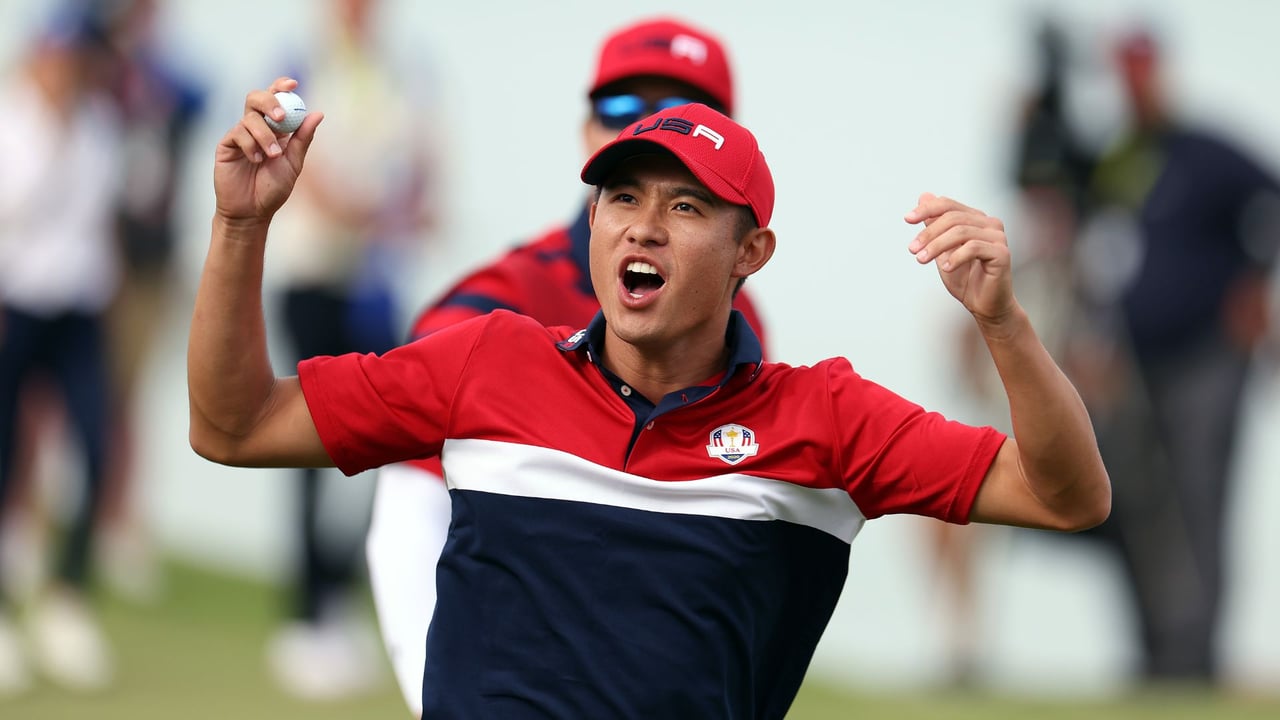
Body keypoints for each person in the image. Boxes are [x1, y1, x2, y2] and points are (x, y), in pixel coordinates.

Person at [190, 75, 1110, 717]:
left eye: (686, 207)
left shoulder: (823, 417)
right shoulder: (488, 361)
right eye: (622, 198)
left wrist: (1003, 324)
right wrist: (240, 224)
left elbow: (1066, 494)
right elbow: (233, 426)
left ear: (752, 255)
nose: (644, 226)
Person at [362, 17, 771, 715]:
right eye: (621, 110)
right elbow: (409, 507)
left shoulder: (741, 322)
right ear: (588, 133)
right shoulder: (497, 303)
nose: (649, 128)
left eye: (679, 112)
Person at [1076, 26, 1280, 684]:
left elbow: (1270, 199)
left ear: (1158, 72)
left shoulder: (1209, 150)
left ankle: (1197, 661)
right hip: (1137, 365)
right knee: (1135, 503)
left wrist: (1253, 289)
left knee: (1201, 501)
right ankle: (1158, 654)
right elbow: (1095, 251)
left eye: (1140, 69)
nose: (1132, 83)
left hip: (1208, 358)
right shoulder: (1123, 160)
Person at [258, 0, 440, 700]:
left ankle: (334, 597)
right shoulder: (301, 68)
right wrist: (360, 211)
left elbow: (425, 161)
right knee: (307, 443)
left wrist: (412, 208)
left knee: (387, 445)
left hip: (375, 288)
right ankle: (303, 615)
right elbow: (296, 166)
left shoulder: (406, 72)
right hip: (311, 280)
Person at [0, 6, 123, 694]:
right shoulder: (11, 121)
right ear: (46, 51)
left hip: (76, 309)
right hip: (12, 305)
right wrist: (51, 135)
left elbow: (97, 227)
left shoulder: (101, 127)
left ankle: (66, 599)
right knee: (5, 457)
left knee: (96, 447)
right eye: (71, 54)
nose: (79, 68)